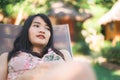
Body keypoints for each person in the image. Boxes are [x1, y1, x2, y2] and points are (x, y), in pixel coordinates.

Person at [0, 13, 96, 80]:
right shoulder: (7, 56)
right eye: (36, 26)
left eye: (47, 28)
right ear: (26, 31)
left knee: (83, 68)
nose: (42, 30)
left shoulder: (63, 53)